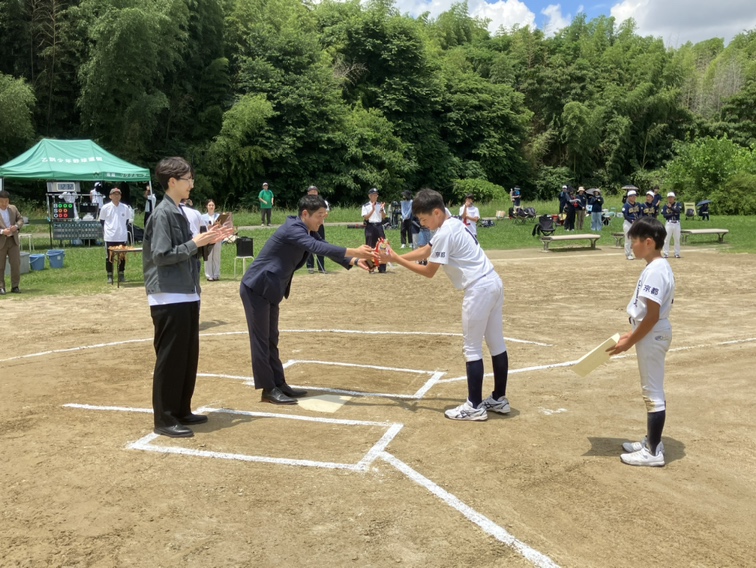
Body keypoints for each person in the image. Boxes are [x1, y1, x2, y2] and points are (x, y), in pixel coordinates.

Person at [378, 189, 510, 421]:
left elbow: (429, 271)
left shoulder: (445, 233)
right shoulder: (453, 223)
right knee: (496, 343)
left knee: (471, 348)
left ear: (437, 212)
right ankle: (499, 398)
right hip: (492, 282)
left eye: (425, 219)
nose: (423, 223)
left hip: (478, 289)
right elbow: (427, 250)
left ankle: (474, 406)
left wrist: (396, 260)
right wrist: (395, 256)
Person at [240, 195, 376, 405]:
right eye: (319, 216)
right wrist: (355, 250)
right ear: (305, 214)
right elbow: (318, 248)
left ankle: (278, 383)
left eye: (324, 215)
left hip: (271, 287)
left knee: (271, 338)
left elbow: (323, 244)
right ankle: (268, 389)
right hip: (257, 287)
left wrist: (355, 260)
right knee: (261, 341)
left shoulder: (306, 229)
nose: (322, 220)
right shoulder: (293, 229)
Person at [143, 157, 232, 438]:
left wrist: (209, 240)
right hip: (168, 295)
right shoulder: (162, 214)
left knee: (187, 356)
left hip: (186, 292)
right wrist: (196, 242)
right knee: (171, 358)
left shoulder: (179, 211)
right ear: (172, 182)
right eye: (187, 179)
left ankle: (181, 409)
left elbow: (187, 250)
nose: (191, 184)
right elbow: (161, 255)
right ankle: (165, 418)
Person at [607, 217, 675, 467]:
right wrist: (630, 335)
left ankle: (653, 452)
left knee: (652, 392)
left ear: (648, 242)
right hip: (651, 332)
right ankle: (651, 441)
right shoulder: (657, 266)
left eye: (633, 241)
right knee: (652, 390)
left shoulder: (656, 270)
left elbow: (652, 315)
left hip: (653, 333)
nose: (631, 246)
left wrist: (629, 342)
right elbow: (646, 314)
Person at [99, 187, 134, 284]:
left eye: (118, 194)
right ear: (110, 196)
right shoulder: (105, 207)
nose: (116, 196)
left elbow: (127, 221)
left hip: (121, 236)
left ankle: (121, 274)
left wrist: (121, 229)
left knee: (122, 257)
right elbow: (102, 221)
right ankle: (109, 276)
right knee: (109, 257)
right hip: (110, 236)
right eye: (114, 194)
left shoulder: (125, 207)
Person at [0, 190, 25, 295]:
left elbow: (21, 220)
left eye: (6, 201)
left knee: (15, 264)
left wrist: (16, 226)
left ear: (8, 201)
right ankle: (1, 287)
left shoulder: (13, 208)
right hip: (1, 241)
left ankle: (15, 286)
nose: (4, 204)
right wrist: (2, 231)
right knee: (0, 265)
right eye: (1, 201)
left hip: (13, 240)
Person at [361, 188, 387, 273]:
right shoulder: (365, 206)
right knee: (369, 247)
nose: (375, 197)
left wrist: (382, 209)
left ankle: (382, 267)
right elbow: (366, 217)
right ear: (370, 196)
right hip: (370, 226)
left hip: (379, 226)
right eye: (373, 195)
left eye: (376, 195)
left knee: (382, 246)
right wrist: (372, 209)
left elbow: (383, 217)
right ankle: (371, 266)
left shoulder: (380, 205)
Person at [305, 186, 328, 273]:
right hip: (309, 225)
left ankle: (321, 266)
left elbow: (326, 213)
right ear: (308, 193)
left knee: (321, 244)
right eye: (311, 191)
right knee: (309, 245)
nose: (313, 193)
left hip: (319, 225)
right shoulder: (305, 202)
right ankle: (310, 267)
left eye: (315, 191)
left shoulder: (322, 202)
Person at [201, 199, 221, 281]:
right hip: (208, 238)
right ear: (207, 206)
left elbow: (222, 226)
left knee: (216, 256)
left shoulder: (218, 216)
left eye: (212, 205)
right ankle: (209, 275)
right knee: (208, 257)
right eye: (209, 205)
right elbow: (201, 228)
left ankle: (216, 274)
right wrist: (208, 227)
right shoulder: (203, 216)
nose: (211, 207)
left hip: (217, 237)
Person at [661, 192, 682, 259]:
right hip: (669, 223)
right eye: (669, 197)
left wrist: (672, 209)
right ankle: (666, 253)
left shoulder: (678, 204)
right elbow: (665, 216)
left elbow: (678, 211)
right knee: (666, 239)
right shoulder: (665, 206)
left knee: (677, 239)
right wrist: (673, 213)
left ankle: (677, 253)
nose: (670, 198)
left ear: (674, 198)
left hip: (677, 223)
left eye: (671, 197)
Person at [621, 190, 640, 260]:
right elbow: (625, 215)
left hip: (636, 224)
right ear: (629, 197)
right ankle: (628, 254)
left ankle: (636, 253)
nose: (634, 197)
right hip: (628, 223)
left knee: (636, 239)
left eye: (635, 196)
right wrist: (632, 221)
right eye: (632, 196)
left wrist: (638, 220)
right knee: (628, 239)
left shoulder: (637, 205)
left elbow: (640, 213)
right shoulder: (626, 205)